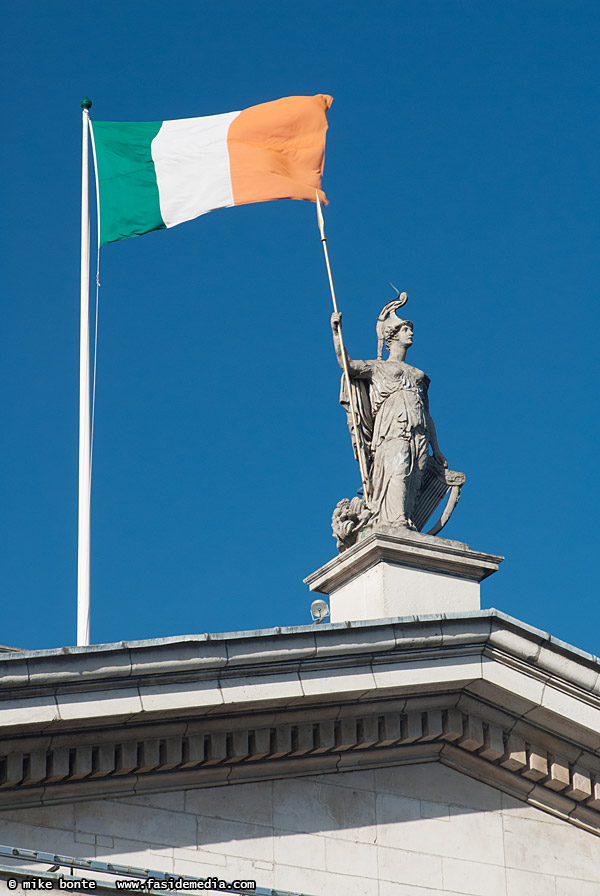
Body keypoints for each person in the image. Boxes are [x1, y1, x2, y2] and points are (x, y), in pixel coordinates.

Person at [331, 298, 447, 530]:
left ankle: (405, 519)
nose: (410, 333)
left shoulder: (418, 374)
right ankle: (393, 520)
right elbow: (348, 364)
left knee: (415, 477)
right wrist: (337, 333)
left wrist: (437, 447)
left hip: (419, 429)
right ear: (392, 335)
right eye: (406, 329)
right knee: (398, 469)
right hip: (392, 427)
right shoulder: (377, 367)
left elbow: (427, 412)